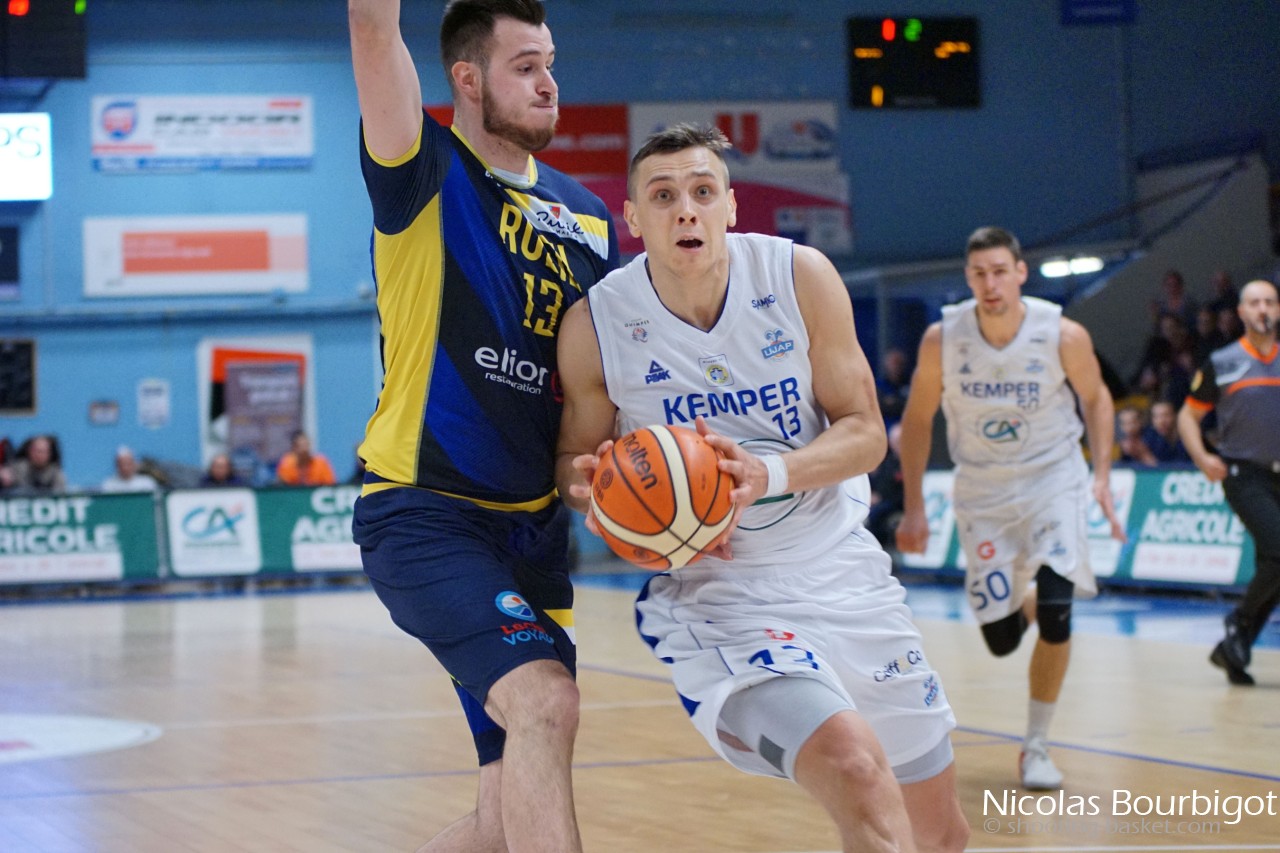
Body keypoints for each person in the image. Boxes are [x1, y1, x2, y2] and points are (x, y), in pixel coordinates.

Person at [556, 124, 967, 853]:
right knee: (853, 767)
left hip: (842, 571)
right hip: (723, 598)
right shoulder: (597, 324)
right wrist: (598, 492)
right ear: (633, 218)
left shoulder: (798, 276)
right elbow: (572, 464)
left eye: (702, 191)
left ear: (730, 206)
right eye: (664, 196)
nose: (686, 209)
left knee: (939, 835)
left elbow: (866, 432)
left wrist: (764, 475)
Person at [347, 0, 619, 849]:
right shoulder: (421, 169)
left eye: (550, 65)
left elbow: (599, 390)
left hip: (532, 532)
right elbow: (371, 27)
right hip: (425, 513)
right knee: (546, 701)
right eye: (525, 67)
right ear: (467, 79)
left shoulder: (588, 216)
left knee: (505, 818)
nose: (548, 84)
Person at [896, 226, 1126, 791]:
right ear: (968, 278)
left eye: (1000, 271)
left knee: (1058, 613)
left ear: (1021, 273)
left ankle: (1036, 746)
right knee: (1001, 639)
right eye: (979, 274)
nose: (990, 283)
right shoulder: (942, 340)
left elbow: (1097, 398)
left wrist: (1100, 474)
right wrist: (913, 507)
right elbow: (919, 420)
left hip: (1053, 481)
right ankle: (1030, 601)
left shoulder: (1062, 333)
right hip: (984, 493)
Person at [1178, 279, 1280, 686]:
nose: (1262, 309)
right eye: (1254, 303)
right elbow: (1188, 416)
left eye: (1269, 302)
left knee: (1275, 563)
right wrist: (1202, 457)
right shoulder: (1222, 362)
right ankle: (1238, 624)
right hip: (1244, 474)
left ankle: (1233, 648)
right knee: (1279, 551)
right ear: (1241, 312)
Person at [3, 434, 67, 494]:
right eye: (36, 451)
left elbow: (60, 494)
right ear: (29, 451)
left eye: (43, 451)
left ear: (50, 453)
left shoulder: (56, 473)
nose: (39, 455)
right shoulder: (18, 469)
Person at [1143, 400, 1191, 464]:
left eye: (1166, 415)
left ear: (1176, 416)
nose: (1161, 421)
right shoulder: (1150, 438)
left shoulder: (1190, 437)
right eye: (1156, 417)